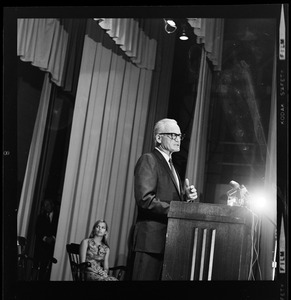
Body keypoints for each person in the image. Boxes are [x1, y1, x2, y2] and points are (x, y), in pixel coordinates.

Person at [131, 118, 198, 280]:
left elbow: (171, 201)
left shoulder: (172, 166)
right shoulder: (149, 160)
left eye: (179, 136)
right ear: (159, 138)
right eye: (172, 135)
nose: (177, 139)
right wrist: (178, 210)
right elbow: (145, 199)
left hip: (168, 243)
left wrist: (186, 200)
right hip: (150, 243)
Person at [34, 198, 59, 280]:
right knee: (42, 268)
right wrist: (45, 238)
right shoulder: (41, 217)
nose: (46, 207)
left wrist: (53, 238)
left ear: (52, 205)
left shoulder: (58, 216)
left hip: (55, 246)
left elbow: (59, 229)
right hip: (43, 246)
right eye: (44, 205)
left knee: (52, 270)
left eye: (48, 204)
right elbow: (37, 231)